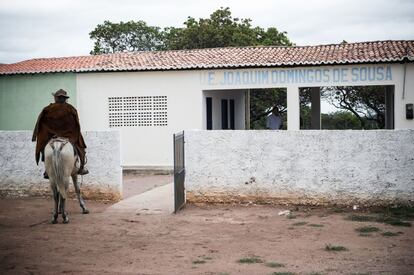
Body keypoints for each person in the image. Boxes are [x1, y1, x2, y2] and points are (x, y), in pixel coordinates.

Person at [32, 89, 89, 179]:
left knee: (44, 148)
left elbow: (41, 124)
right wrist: (74, 133)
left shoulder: (47, 109)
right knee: (80, 146)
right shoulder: (71, 108)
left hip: (51, 135)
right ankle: (81, 167)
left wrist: (46, 134)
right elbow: (76, 124)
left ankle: (47, 170)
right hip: (69, 136)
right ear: (65, 98)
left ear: (56, 98)